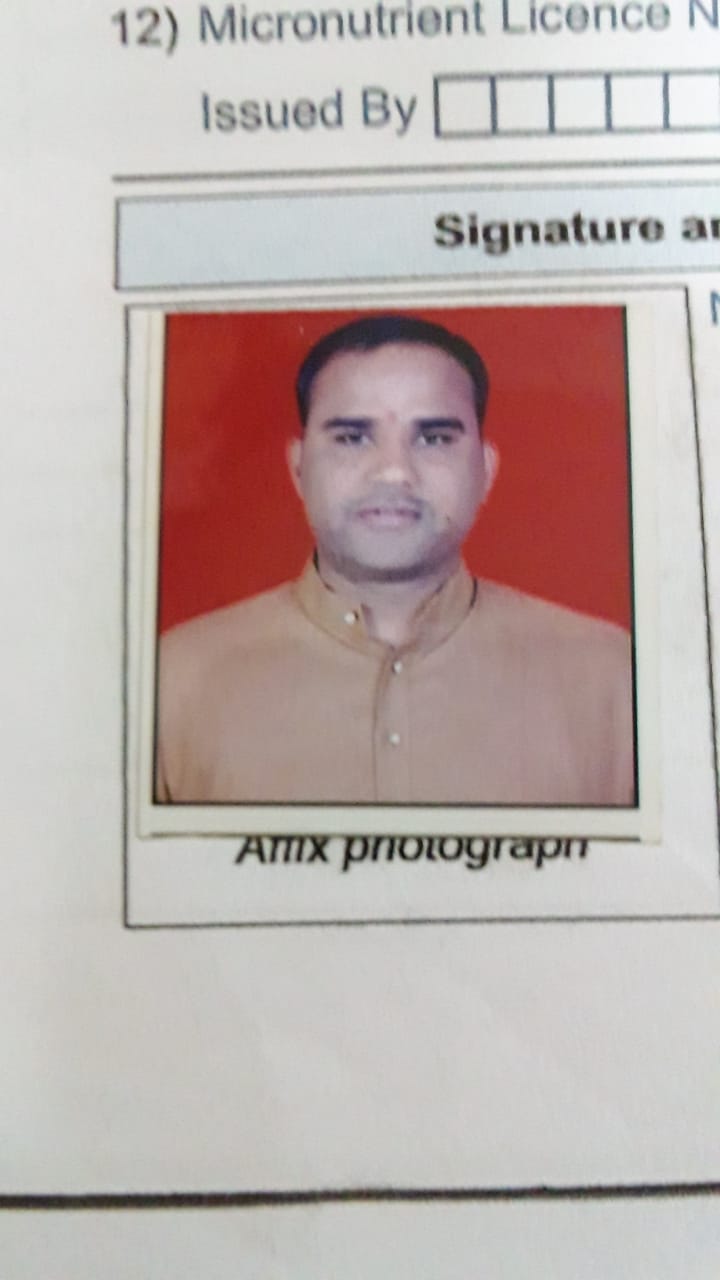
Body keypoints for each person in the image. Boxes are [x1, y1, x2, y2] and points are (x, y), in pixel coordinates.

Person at [156, 313, 635, 805]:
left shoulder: (612, 680)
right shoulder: (176, 680)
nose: (393, 472)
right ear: (298, 469)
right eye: (352, 438)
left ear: (486, 471)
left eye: (433, 438)